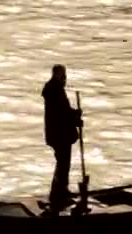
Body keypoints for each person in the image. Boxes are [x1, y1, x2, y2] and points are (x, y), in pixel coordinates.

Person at [42, 64, 83, 208]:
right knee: (63, 164)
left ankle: (59, 192)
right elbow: (62, 113)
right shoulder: (55, 90)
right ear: (57, 74)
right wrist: (75, 116)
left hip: (58, 134)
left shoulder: (55, 89)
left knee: (62, 164)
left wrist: (74, 115)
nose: (65, 77)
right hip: (60, 135)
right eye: (63, 74)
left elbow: (64, 110)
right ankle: (59, 195)